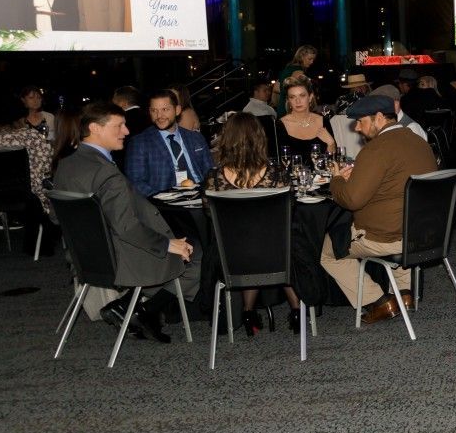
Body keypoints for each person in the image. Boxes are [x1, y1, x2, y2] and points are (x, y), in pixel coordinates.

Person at [54, 101, 198, 342]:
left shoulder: (67, 164)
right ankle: (139, 309)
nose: (126, 131)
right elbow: (127, 229)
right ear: (95, 128)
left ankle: (132, 307)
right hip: (118, 260)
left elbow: (54, 216)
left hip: (85, 257)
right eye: (119, 126)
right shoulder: (106, 173)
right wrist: (166, 244)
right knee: (195, 257)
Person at [322, 94, 437, 322]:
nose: (357, 128)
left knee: (327, 251)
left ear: (378, 118)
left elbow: (352, 200)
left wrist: (337, 180)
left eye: (361, 121)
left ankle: (377, 301)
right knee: (399, 217)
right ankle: (404, 294)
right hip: (422, 233)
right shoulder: (418, 141)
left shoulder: (376, 149)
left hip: (386, 238)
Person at [202, 113, 300, 336]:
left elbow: (210, 215)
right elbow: (289, 212)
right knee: (287, 246)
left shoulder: (213, 178)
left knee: (246, 243)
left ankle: (248, 312)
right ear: (260, 139)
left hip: (233, 257)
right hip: (275, 254)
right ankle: (297, 311)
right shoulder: (277, 174)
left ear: (226, 139)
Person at [123, 90, 214, 198]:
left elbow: (210, 172)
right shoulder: (140, 142)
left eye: (165, 109)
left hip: (202, 197)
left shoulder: (195, 138)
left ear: (177, 110)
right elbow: (135, 182)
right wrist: (162, 199)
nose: (159, 115)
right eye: (154, 110)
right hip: (166, 203)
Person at [277, 78, 335, 163]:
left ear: (310, 97)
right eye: (292, 97)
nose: (298, 101)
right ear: (288, 101)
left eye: (302, 95)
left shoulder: (323, 121)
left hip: (322, 175)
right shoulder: (279, 125)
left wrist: (331, 144)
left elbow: (332, 161)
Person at [275, 45, 318, 110]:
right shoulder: (298, 72)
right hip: (292, 109)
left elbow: (275, 88)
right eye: (309, 59)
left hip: (283, 107)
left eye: (313, 59)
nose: (312, 62)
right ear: (301, 57)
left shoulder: (288, 68)